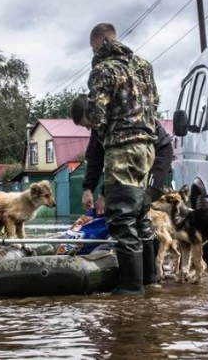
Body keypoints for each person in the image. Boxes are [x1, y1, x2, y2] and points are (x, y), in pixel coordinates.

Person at [80, 22, 158, 294]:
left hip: (122, 148)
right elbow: (155, 103)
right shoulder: (144, 66)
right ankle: (150, 280)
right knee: (140, 215)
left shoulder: (103, 70)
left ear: (96, 44)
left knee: (122, 218)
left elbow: (97, 115)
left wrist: (88, 115)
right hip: (148, 146)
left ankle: (131, 289)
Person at [71, 94, 174, 286]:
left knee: (141, 205)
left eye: (88, 124)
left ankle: (143, 280)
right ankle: (147, 278)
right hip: (133, 160)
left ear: (95, 112)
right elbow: (95, 157)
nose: (88, 129)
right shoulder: (97, 128)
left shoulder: (116, 120)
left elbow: (118, 163)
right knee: (134, 211)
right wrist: (88, 189)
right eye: (85, 127)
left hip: (157, 152)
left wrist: (104, 194)